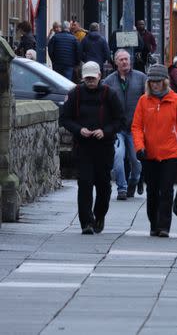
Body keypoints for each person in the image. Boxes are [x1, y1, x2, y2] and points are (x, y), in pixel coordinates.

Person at [59, 61, 124, 234]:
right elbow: (65, 118)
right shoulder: (75, 94)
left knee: (104, 185)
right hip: (83, 146)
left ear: (99, 77)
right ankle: (86, 222)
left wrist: (105, 131)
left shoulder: (110, 94)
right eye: (87, 78)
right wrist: (79, 130)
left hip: (104, 146)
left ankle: (99, 214)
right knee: (85, 183)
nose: (90, 81)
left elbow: (120, 120)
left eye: (92, 78)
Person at [131, 64, 177, 237]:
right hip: (149, 154)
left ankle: (164, 226)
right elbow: (136, 127)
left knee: (166, 190)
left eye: (158, 81)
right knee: (152, 191)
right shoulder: (144, 101)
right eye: (152, 82)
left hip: (171, 153)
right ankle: (154, 223)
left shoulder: (175, 100)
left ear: (165, 81)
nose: (155, 85)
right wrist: (139, 146)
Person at [103, 49, 147, 200]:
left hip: (135, 128)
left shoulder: (141, 78)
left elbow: (148, 100)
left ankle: (133, 182)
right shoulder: (109, 81)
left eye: (126, 59)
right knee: (118, 156)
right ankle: (122, 188)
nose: (124, 62)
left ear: (130, 61)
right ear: (116, 62)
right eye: (121, 59)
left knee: (136, 162)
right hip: (118, 128)